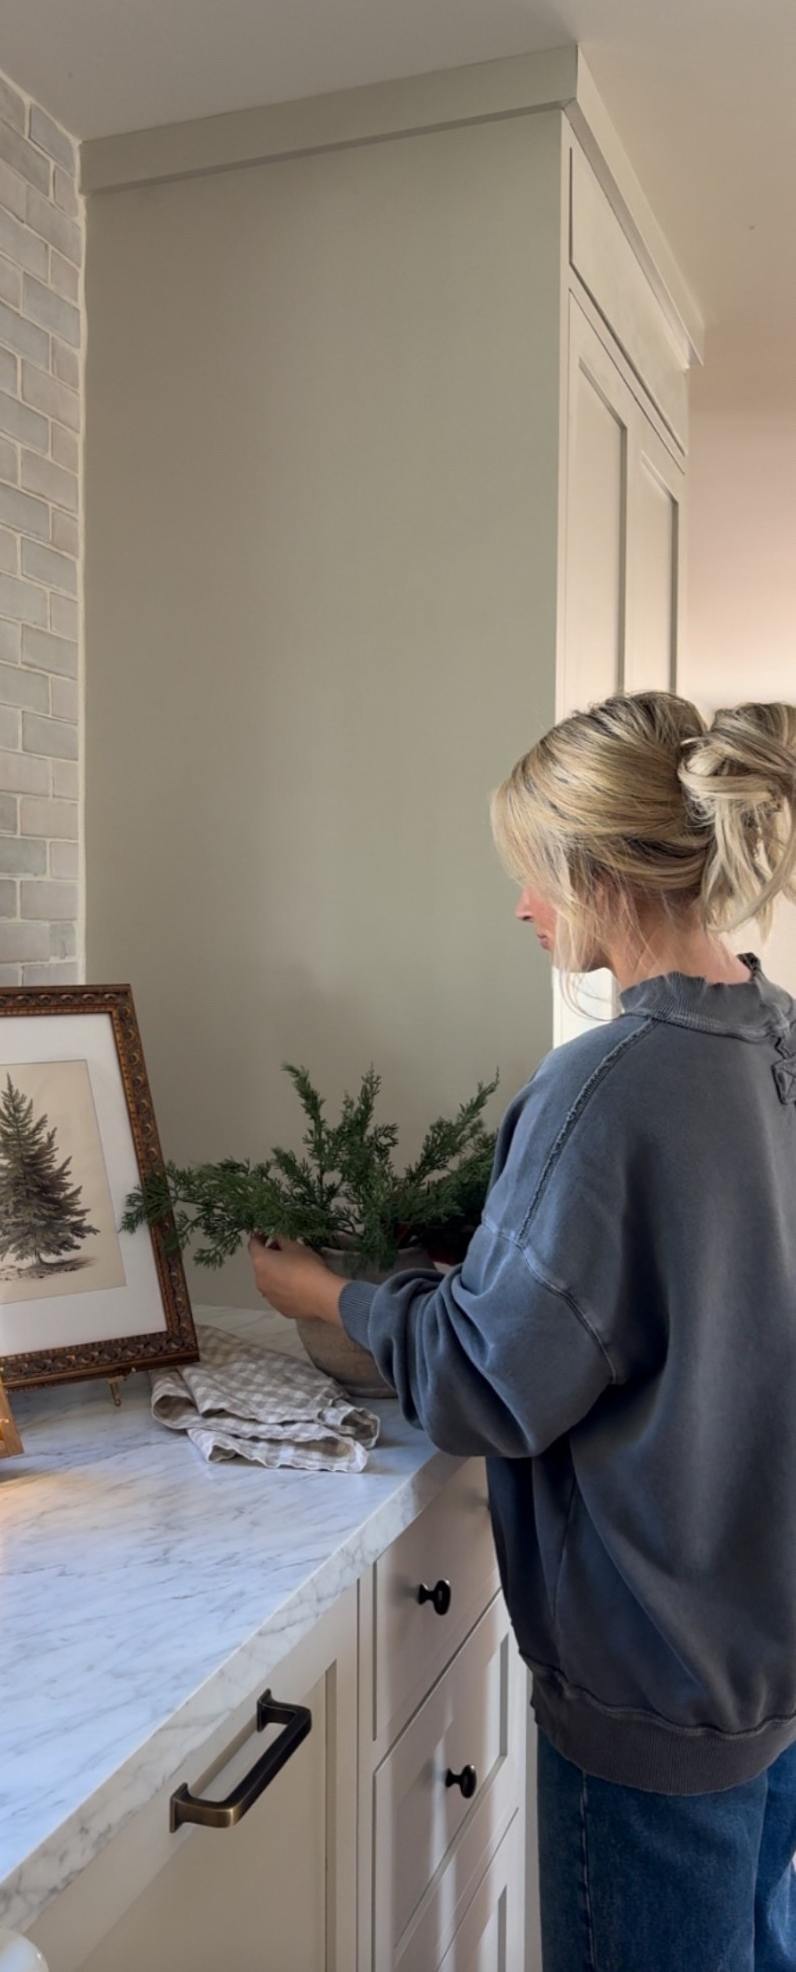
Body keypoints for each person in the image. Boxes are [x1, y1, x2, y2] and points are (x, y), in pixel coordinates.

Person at [248, 691, 796, 1972]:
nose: (522, 908)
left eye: (534, 872)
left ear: (601, 873)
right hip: (765, 1654)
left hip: (655, 1686)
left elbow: (487, 1382)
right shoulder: (777, 1041)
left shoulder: (605, 1083)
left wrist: (327, 1294)